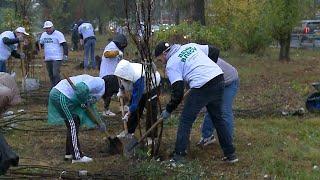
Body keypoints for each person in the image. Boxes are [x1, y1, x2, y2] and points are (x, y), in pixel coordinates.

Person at [155, 41, 238, 163]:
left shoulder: (172, 64)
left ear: (164, 54)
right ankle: (231, 154)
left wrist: (168, 110)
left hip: (202, 86)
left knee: (185, 120)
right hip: (219, 79)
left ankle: (179, 157)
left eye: (159, 59)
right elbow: (214, 51)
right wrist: (208, 70)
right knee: (218, 119)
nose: (160, 62)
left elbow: (177, 93)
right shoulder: (190, 46)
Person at [47, 74, 106, 163]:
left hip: (62, 95)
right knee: (73, 124)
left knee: (74, 123)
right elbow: (80, 88)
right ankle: (77, 157)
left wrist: (99, 122)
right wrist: (84, 101)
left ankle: (69, 153)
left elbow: (89, 108)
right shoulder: (98, 83)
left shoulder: (96, 89)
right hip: (61, 95)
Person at [114, 60, 161, 139]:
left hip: (152, 85)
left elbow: (135, 101)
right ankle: (128, 131)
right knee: (135, 111)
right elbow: (122, 82)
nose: (121, 79)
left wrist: (128, 113)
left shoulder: (138, 77)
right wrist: (121, 90)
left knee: (151, 110)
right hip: (141, 86)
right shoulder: (124, 71)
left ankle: (151, 137)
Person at [99, 34, 127, 116]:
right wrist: (117, 52)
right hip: (108, 74)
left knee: (122, 89)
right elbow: (106, 54)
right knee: (109, 93)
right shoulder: (111, 46)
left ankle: (123, 106)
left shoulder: (118, 48)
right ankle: (106, 110)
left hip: (114, 74)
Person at [40, 20, 68, 88]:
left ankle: (59, 87)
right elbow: (40, 45)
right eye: (46, 28)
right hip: (48, 57)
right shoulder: (43, 35)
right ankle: (53, 87)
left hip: (57, 57)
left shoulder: (58, 34)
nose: (48, 30)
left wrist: (65, 55)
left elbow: (64, 45)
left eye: (49, 28)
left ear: (52, 27)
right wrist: (36, 43)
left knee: (55, 73)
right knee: (51, 74)